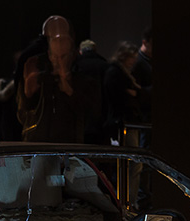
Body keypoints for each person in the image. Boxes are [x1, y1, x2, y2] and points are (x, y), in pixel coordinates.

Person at [17, 31, 98, 143]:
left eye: (63, 56)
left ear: (71, 55)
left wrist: (68, 88)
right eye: (55, 56)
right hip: (40, 145)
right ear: (50, 55)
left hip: (70, 145)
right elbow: (24, 113)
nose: (59, 61)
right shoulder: (41, 80)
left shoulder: (83, 81)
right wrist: (28, 92)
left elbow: (89, 113)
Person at [104, 41, 149, 207]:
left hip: (126, 122)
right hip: (125, 123)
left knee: (129, 164)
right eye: (132, 57)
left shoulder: (119, 73)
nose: (134, 61)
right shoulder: (117, 74)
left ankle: (126, 200)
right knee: (132, 163)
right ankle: (127, 201)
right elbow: (125, 97)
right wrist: (134, 94)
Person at [75, 39, 108, 144]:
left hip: (80, 117)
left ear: (81, 51)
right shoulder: (104, 65)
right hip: (100, 117)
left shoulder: (76, 65)